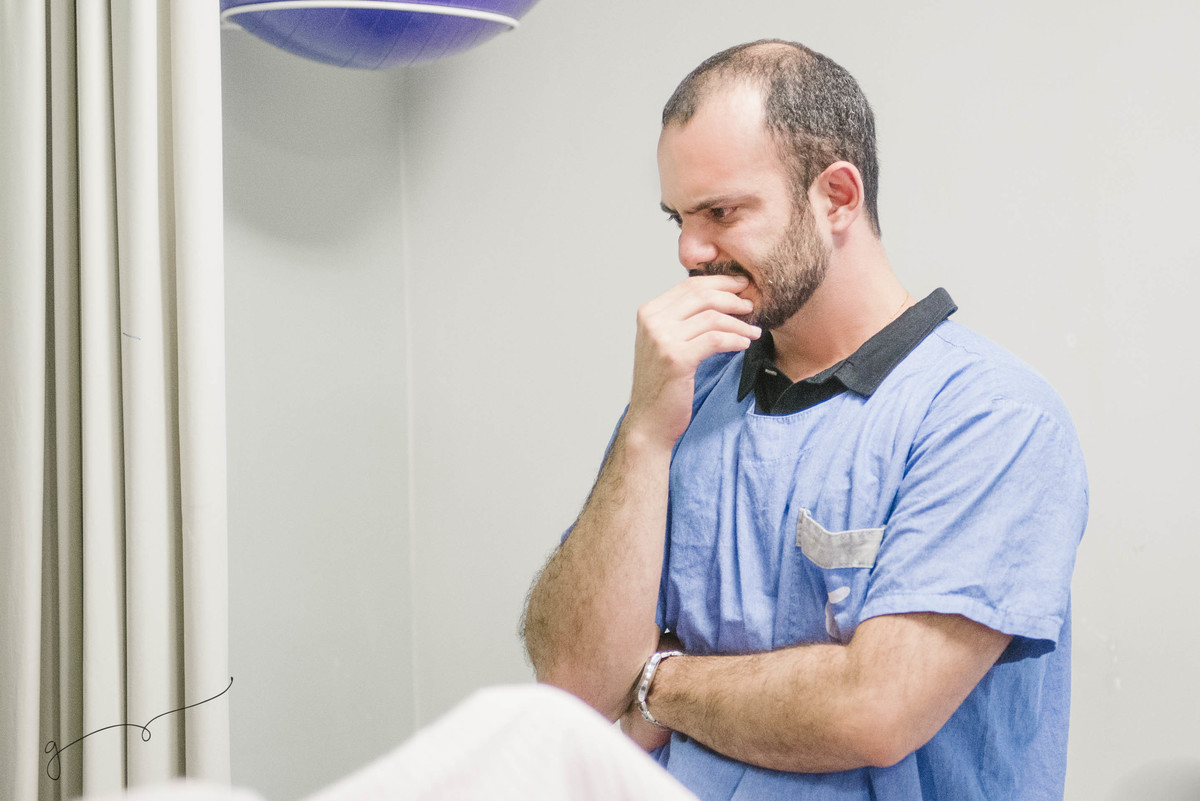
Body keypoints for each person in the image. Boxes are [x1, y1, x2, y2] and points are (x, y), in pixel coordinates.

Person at [521, 39, 1088, 801]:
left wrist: (656, 679)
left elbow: (873, 708)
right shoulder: (685, 401)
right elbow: (574, 684)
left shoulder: (993, 418)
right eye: (678, 218)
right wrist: (646, 434)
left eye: (722, 211)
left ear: (838, 197)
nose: (690, 250)